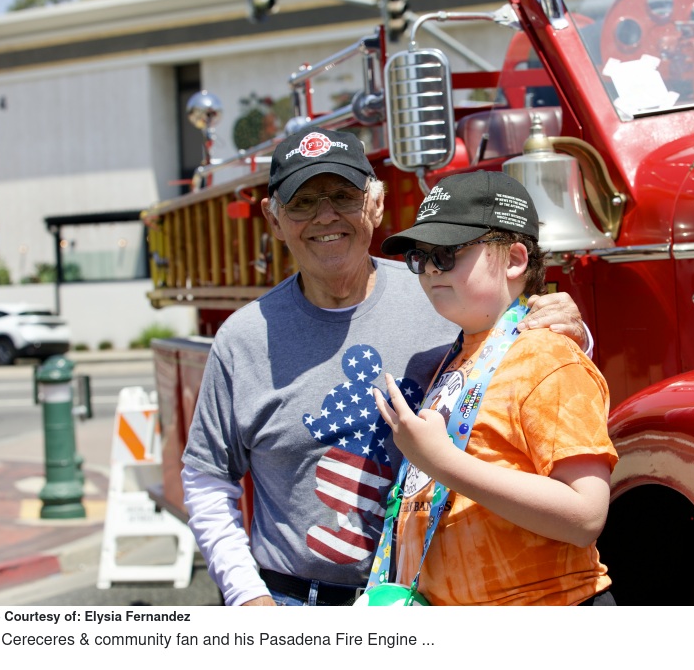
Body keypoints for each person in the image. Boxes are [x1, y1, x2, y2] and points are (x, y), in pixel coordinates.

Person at [181, 127, 591, 606]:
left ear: (375, 205)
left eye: (343, 196)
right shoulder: (243, 339)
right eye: (303, 203)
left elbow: (525, 366)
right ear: (274, 218)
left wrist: (574, 333)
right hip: (294, 605)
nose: (326, 216)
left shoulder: (442, 292)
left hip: (429, 602)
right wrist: (247, 596)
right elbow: (208, 477)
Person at [372, 169, 618, 606]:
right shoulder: (461, 354)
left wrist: (441, 461)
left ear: (515, 260)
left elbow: (585, 515)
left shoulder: (547, 356)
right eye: (419, 256)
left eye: (447, 252)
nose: (430, 268)